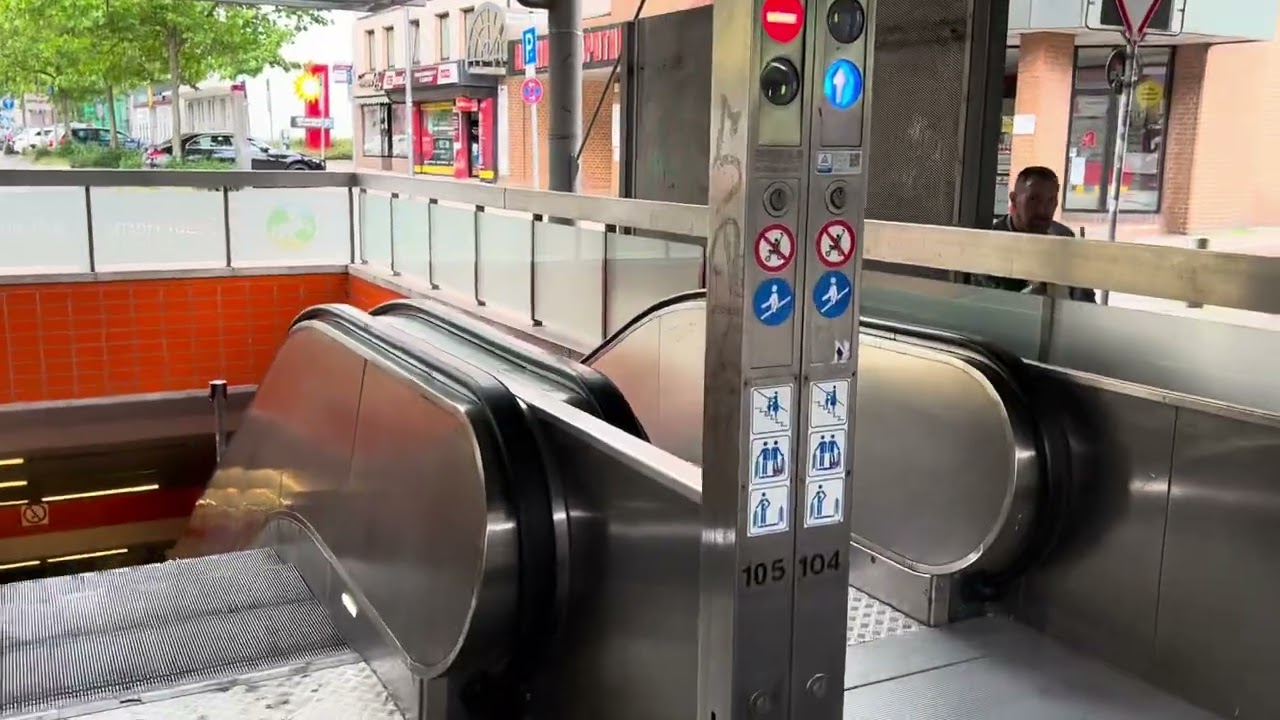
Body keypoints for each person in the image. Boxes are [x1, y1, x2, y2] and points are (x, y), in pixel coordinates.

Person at [973, 165, 1096, 303]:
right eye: (1033, 199)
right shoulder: (992, 243)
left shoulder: (1063, 236)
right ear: (1014, 200)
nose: (1043, 210)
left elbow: (1085, 300)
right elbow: (993, 303)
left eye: (1051, 201)